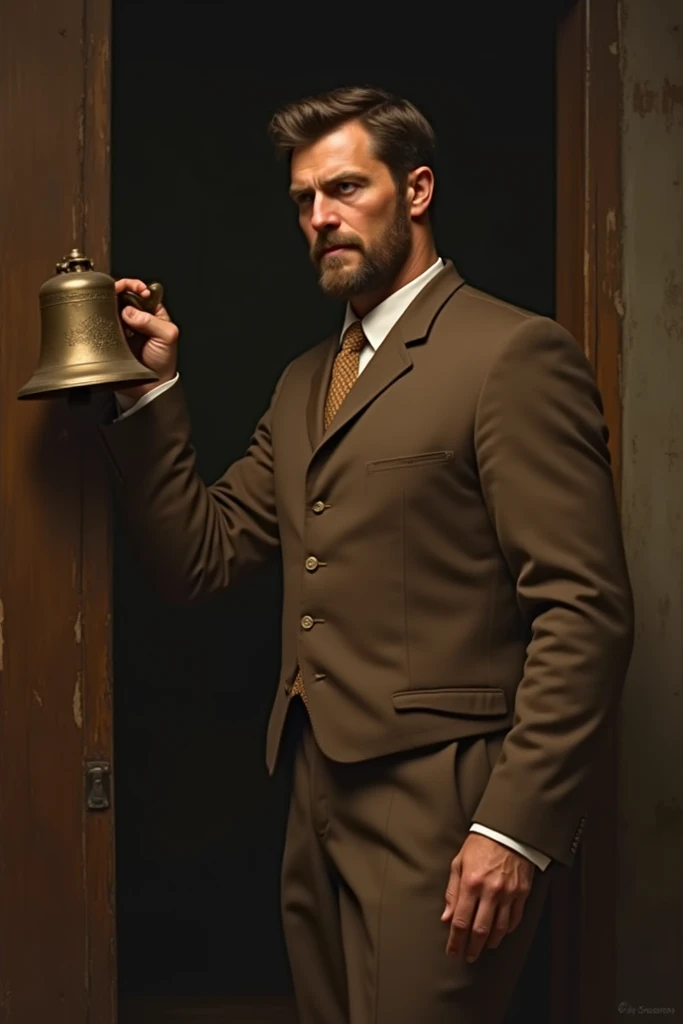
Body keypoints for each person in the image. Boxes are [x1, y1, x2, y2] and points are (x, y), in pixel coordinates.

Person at [102, 86, 634, 1023]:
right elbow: (201, 557)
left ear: (416, 189)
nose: (320, 219)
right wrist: (154, 393)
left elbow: (583, 609)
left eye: (345, 189)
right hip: (315, 790)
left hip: (448, 798)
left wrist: (512, 827)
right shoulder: (309, 379)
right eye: (304, 200)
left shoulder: (511, 355)